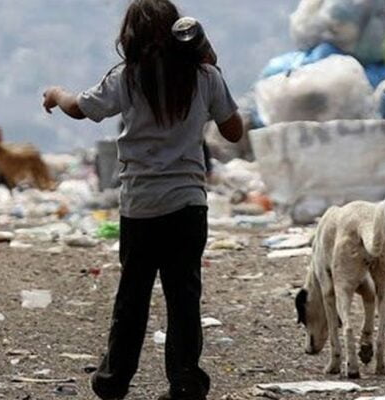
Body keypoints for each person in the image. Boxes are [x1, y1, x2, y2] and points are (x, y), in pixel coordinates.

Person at [41, 1, 243, 399]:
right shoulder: (204, 76)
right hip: (188, 205)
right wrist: (212, 62)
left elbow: (80, 108)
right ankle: (185, 382)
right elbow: (233, 131)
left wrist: (56, 94)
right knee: (184, 298)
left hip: (141, 206)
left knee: (132, 297)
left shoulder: (127, 77)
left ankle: (113, 380)